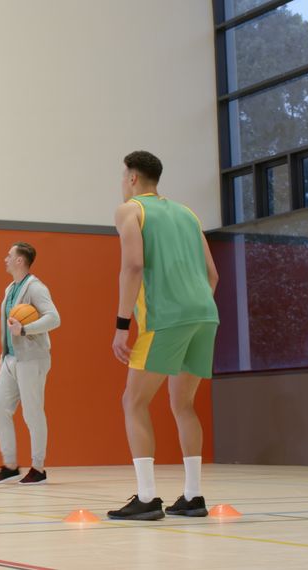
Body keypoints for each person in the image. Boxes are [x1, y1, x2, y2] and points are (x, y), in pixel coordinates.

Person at [106, 151, 219, 521]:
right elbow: (212, 275)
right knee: (182, 404)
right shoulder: (188, 214)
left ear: (133, 178)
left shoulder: (129, 211)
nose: (122, 183)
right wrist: (193, 310)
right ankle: (193, 496)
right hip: (205, 314)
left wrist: (122, 326)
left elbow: (133, 265)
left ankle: (148, 497)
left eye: (123, 177)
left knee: (133, 401)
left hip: (166, 318)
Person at [0, 242, 61, 485]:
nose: (5, 259)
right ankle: (10, 465)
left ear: (20, 260)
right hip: (11, 359)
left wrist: (26, 328)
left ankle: (38, 468)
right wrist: (2, 357)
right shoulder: (10, 289)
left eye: (9, 255)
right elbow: (7, 329)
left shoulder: (36, 288)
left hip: (32, 358)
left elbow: (54, 318)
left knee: (32, 412)